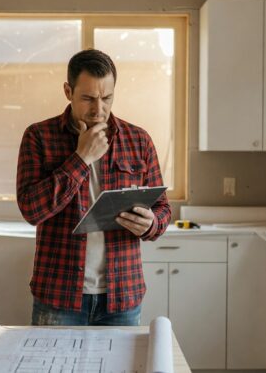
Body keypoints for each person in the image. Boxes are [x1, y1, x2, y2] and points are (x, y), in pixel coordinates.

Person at [16, 48, 172, 326]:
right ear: (68, 91)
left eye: (107, 98)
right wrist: (81, 158)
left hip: (122, 296)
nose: (98, 109)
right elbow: (31, 209)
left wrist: (151, 224)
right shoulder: (38, 136)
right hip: (59, 296)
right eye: (88, 98)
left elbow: (162, 209)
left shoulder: (139, 140)